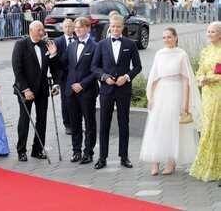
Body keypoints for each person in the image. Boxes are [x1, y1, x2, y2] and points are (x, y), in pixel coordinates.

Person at [139, 27, 201, 176]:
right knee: (157, 126)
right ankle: (155, 162)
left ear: (175, 37)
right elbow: (154, 78)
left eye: (169, 37)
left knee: (172, 127)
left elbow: (186, 80)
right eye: (164, 38)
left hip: (176, 92)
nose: (166, 40)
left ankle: (171, 162)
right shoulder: (159, 54)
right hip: (161, 92)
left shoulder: (182, 55)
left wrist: (186, 103)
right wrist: (151, 98)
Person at [91, 14, 142, 169]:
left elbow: (137, 66)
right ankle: (102, 157)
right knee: (104, 124)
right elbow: (94, 66)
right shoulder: (101, 44)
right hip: (106, 90)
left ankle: (124, 156)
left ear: (123, 27)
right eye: (113, 26)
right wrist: (104, 77)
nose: (115, 29)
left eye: (118, 26)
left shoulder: (130, 44)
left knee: (123, 124)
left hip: (123, 90)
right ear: (109, 26)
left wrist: (126, 77)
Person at [12, 20, 58, 162]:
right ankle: (21, 151)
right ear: (31, 30)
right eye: (39, 30)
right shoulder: (20, 45)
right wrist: (25, 89)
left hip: (42, 88)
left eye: (42, 30)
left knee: (42, 119)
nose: (41, 32)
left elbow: (54, 67)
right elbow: (17, 69)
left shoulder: (46, 45)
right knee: (25, 119)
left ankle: (38, 149)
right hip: (26, 89)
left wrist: (53, 55)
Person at [55, 17, 98, 164]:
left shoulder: (95, 46)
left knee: (89, 123)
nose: (77, 29)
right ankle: (76, 151)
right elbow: (63, 65)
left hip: (87, 90)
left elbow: (96, 70)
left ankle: (88, 152)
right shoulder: (71, 46)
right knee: (75, 123)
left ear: (88, 28)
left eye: (80, 27)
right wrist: (54, 55)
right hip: (71, 91)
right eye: (76, 27)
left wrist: (83, 84)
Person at [190, 21, 221, 184]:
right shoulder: (206, 51)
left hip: (219, 93)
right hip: (207, 94)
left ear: (220, 34)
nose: (209, 34)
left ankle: (218, 167)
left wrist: (211, 78)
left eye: (213, 32)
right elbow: (199, 71)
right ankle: (207, 164)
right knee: (207, 127)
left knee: (217, 127)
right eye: (208, 31)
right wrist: (200, 79)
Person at [54, 18, 77, 135]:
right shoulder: (58, 41)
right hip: (64, 75)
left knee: (76, 100)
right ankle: (67, 124)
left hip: (77, 75)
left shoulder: (78, 40)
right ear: (62, 28)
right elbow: (55, 62)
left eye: (70, 26)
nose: (68, 29)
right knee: (66, 100)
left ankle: (76, 123)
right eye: (65, 27)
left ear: (73, 27)